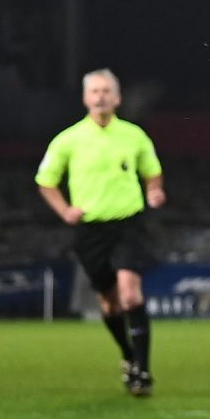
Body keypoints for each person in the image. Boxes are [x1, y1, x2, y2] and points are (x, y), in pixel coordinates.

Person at [35, 68, 165, 396]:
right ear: (85, 98)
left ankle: (143, 371)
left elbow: (153, 171)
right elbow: (45, 180)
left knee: (130, 293)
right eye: (95, 91)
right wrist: (65, 210)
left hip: (128, 223)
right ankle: (128, 354)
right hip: (91, 230)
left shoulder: (134, 136)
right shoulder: (68, 139)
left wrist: (154, 191)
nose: (101, 96)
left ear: (117, 98)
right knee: (109, 304)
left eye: (106, 91)